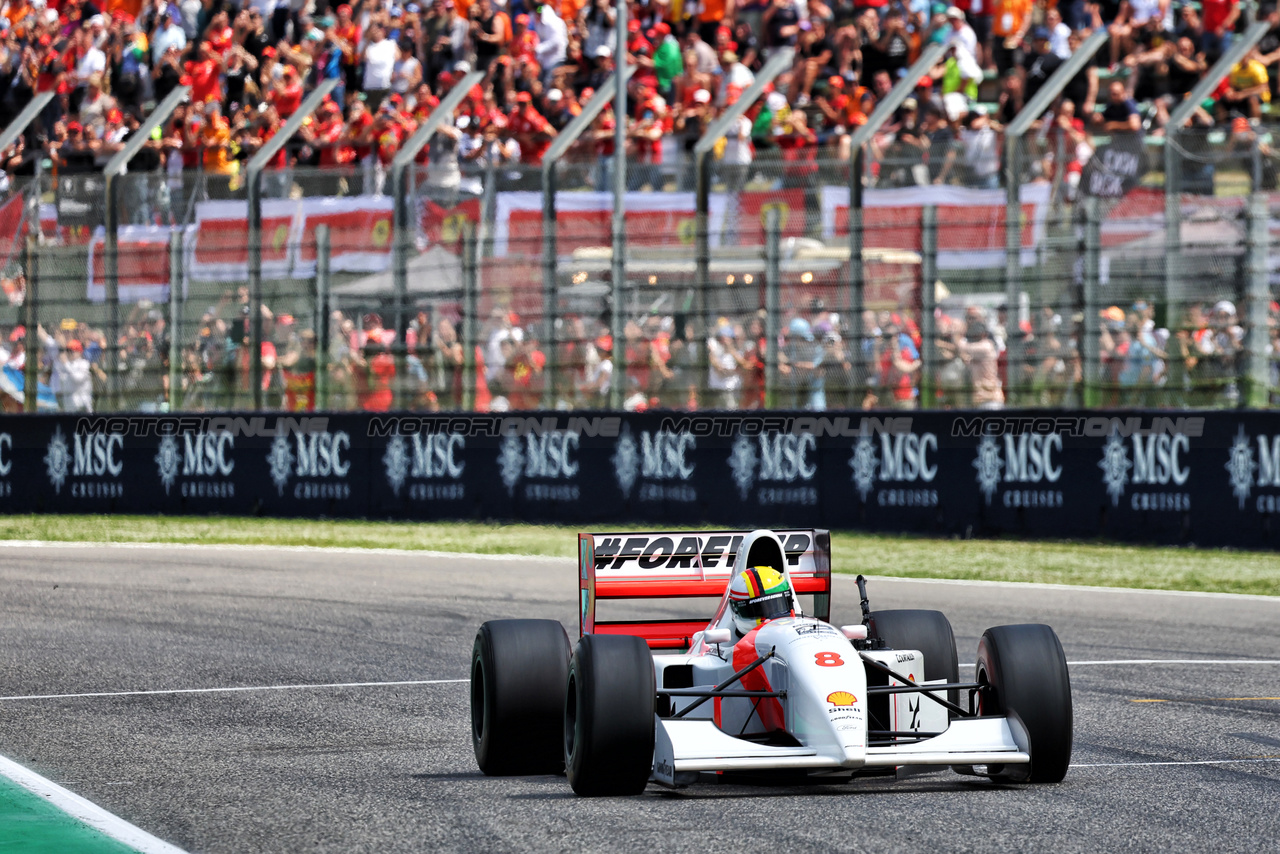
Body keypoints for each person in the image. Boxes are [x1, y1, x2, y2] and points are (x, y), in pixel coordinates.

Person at [727, 566, 794, 638]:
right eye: (757, 609)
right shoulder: (721, 643)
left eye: (775, 607)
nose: (768, 620)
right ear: (735, 609)